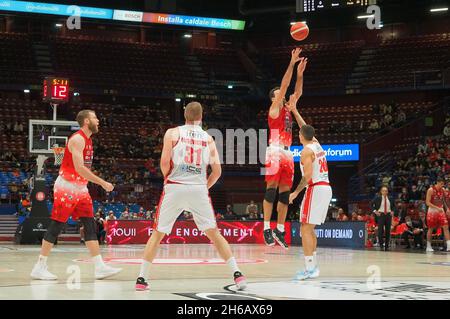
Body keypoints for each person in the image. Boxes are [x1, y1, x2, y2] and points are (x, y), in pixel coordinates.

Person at [135, 102, 247, 291]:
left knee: (157, 234)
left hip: (175, 186)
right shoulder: (208, 138)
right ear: (201, 117)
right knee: (214, 234)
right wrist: (203, 187)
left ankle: (141, 279)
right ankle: (237, 274)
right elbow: (217, 171)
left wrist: (169, 179)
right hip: (198, 189)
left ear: (184, 115)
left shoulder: (172, 133)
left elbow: (163, 163)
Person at [30, 109, 121, 280]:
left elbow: (81, 171)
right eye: (95, 118)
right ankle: (39, 266)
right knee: (57, 225)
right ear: (86, 121)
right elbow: (80, 168)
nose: (98, 120)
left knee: (89, 224)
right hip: (67, 187)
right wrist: (102, 182)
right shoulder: (78, 139)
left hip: (81, 187)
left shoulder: (88, 140)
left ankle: (99, 266)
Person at [263, 48, 307, 249]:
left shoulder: (288, 109)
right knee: (270, 191)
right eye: (278, 94)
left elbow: (297, 92)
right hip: (274, 149)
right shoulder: (274, 109)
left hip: (289, 153)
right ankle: (266, 227)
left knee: (284, 194)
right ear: (274, 98)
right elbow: (285, 85)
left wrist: (300, 74)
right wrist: (291, 64)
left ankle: (279, 230)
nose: (282, 95)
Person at [289, 105, 332, 281]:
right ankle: (313, 266)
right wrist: (294, 110)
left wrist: (294, 193)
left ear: (300, 137)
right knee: (310, 228)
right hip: (326, 188)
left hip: (315, 188)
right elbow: (304, 126)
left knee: (305, 229)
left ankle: (309, 269)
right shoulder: (316, 144)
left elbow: (306, 177)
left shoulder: (306, 151)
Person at [425, 177, 450, 252]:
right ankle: (428, 246)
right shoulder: (430, 190)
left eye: (443, 184)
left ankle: (449, 246)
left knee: (446, 227)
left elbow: (443, 201)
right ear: (437, 182)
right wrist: (436, 208)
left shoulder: (443, 190)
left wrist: (447, 209)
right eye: (441, 184)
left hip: (440, 210)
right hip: (432, 211)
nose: (442, 185)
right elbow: (427, 202)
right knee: (431, 228)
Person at [371, 186, 396, 251]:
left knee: (388, 231)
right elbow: (371, 204)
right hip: (380, 214)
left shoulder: (390, 198)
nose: (385, 192)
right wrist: (375, 211)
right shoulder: (377, 198)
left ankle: (387, 246)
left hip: (388, 215)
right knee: (380, 231)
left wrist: (393, 211)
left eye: (386, 191)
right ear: (381, 192)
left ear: (387, 192)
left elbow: (394, 206)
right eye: (383, 191)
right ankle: (381, 245)